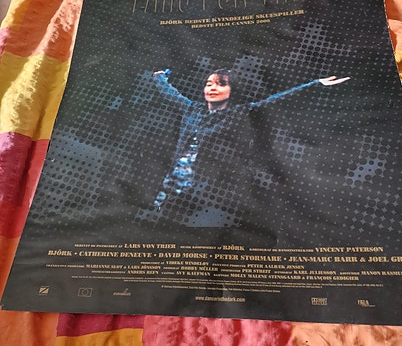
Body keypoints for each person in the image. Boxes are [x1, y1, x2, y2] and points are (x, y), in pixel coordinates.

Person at [135, 68, 350, 228]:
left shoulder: (240, 113)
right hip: (172, 183)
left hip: (208, 190)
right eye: (209, 83)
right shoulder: (192, 109)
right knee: (155, 222)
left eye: (220, 84)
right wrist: (159, 77)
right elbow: (169, 93)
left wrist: (316, 84)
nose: (212, 88)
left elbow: (276, 100)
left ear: (232, 90)